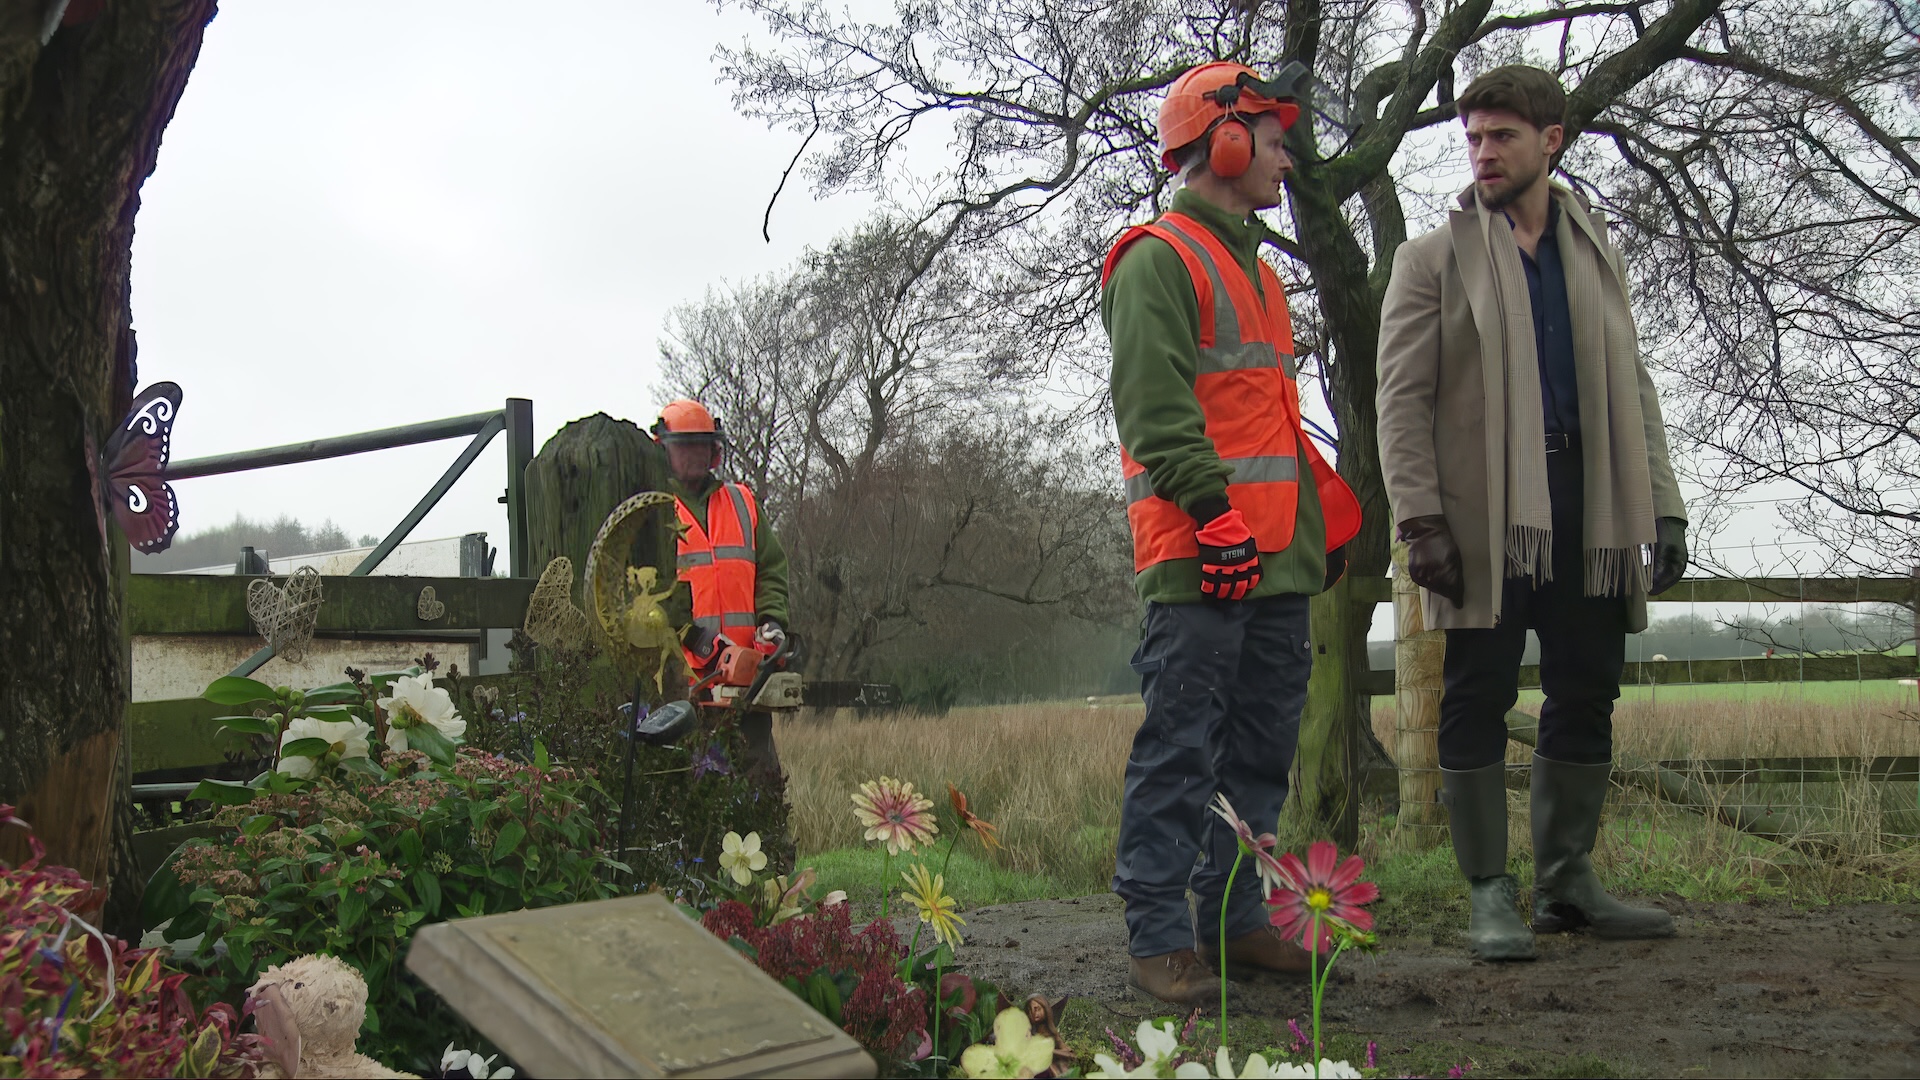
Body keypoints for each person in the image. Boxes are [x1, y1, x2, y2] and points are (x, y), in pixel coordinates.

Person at [1374, 65, 1689, 962]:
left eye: (1502, 136)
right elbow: (1398, 402)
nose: (1483, 152)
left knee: (1588, 688)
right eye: (1472, 137)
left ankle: (1569, 881)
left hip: (1591, 506)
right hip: (1483, 517)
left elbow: (1633, 384)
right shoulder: (1431, 259)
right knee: (1478, 691)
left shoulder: (1595, 253)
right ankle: (1489, 891)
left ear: (1552, 140)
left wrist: (1661, 506)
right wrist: (1419, 519)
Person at [1101, 61, 1363, 1007]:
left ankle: (1234, 919)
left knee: (1259, 751)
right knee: (1181, 746)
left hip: (1276, 557)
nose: (1287, 158)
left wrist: (1310, 525)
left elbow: (1270, 424)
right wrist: (1214, 515)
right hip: (1201, 555)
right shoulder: (1156, 259)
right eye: (1274, 137)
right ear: (1226, 141)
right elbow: (1156, 410)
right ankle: (1159, 932)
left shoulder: (1259, 270)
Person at [652, 398, 791, 784]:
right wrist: (695, 638)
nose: (694, 454)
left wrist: (772, 621)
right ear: (663, 449)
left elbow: (773, 570)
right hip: (683, 687)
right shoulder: (654, 512)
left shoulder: (742, 502)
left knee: (761, 788)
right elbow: (647, 594)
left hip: (748, 680)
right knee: (692, 793)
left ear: (713, 450)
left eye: (701, 444)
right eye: (684, 445)